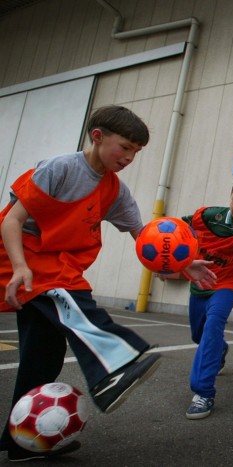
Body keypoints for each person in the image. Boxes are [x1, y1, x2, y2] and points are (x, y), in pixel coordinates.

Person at [0, 105, 216, 462]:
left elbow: (143, 237)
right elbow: (11, 222)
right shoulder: (60, 168)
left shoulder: (114, 190)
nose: (130, 157)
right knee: (72, 300)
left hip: (55, 265)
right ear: (97, 136)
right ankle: (115, 365)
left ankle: (21, 441)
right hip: (20, 258)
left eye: (136, 151)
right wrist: (21, 266)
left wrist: (180, 264)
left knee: (43, 356)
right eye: (125, 147)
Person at [161, 174, 233, 420]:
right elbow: (179, 229)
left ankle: (204, 392)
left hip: (228, 286)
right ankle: (220, 350)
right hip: (200, 281)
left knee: (213, 326)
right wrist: (174, 260)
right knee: (199, 335)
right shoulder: (207, 216)